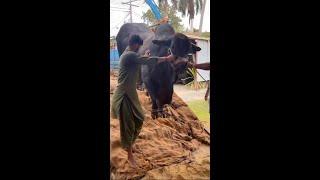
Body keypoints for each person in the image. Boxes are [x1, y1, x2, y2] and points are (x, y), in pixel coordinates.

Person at [111, 34, 169, 168]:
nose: (139, 48)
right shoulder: (128, 56)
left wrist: (146, 55)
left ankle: (128, 144)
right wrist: (167, 58)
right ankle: (130, 154)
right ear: (135, 44)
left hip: (131, 94)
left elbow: (141, 59)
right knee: (128, 124)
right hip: (124, 95)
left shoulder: (129, 53)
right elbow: (147, 61)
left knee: (140, 118)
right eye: (139, 46)